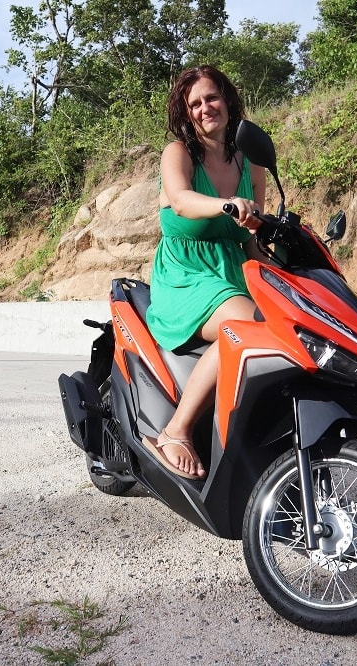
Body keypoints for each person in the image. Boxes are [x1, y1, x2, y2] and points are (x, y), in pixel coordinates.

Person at [142, 65, 267, 480]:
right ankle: (176, 431)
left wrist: (278, 273)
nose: (204, 108)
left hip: (231, 272)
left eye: (211, 98)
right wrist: (225, 204)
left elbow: (251, 240)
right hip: (185, 275)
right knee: (246, 323)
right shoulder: (178, 154)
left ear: (228, 101)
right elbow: (179, 201)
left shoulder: (251, 165)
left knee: (281, 317)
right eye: (194, 103)